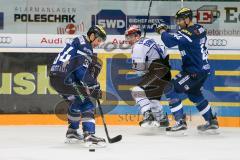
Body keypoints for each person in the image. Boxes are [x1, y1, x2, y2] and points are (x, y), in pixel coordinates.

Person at [156, 8, 219, 133]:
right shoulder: (199, 29)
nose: (178, 23)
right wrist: (171, 33)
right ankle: (211, 121)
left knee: (170, 88)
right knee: (194, 94)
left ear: (187, 19)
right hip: (204, 70)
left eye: (180, 20)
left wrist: (162, 31)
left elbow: (168, 41)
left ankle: (180, 122)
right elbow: (183, 37)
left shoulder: (187, 33)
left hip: (193, 71)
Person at [49, 25, 107, 145]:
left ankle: (72, 132)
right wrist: (94, 84)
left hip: (55, 78)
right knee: (86, 103)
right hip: (67, 80)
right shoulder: (86, 46)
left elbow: (74, 67)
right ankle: (89, 135)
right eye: (98, 40)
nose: (99, 43)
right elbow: (81, 72)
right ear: (92, 36)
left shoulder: (77, 41)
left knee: (77, 102)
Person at [125, 25, 171, 128]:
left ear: (137, 36)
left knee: (137, 91)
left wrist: (145, 68)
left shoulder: (138, 46)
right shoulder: (150, 40)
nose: (128, 40)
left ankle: (148, 116)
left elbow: (139, 70)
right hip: (166, 72)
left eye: (130, 37)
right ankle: (162, 119)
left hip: (157, 71)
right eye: (127, 37)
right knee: (152, 98)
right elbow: (164, 52)